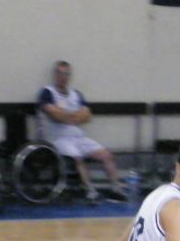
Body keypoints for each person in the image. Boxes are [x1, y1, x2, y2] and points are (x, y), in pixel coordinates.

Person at [37, 61, 127, 203]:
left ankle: (116, 189)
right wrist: (75, 115)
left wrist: (65, 114)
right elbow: (55, 116)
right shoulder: (47, 93)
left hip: (79, 137)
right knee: (77, 157)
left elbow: (87, 116)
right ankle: (90, 191)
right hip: (58, 139)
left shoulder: (76, 94)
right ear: (55, 75)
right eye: (60, 73)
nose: (63, 76)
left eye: (66, 74)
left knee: (106, 155)